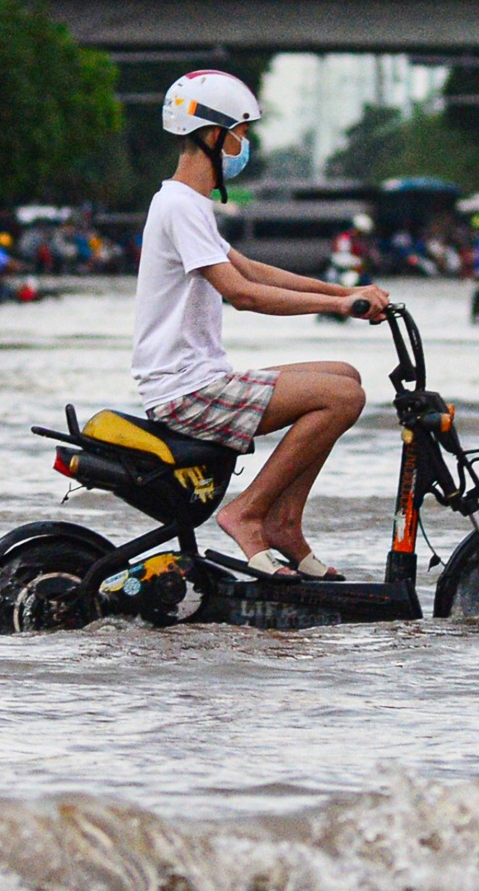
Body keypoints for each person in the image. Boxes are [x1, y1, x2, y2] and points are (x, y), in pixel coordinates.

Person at [134, 71, 389, 581]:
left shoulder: (189, 204)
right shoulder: (179, 205)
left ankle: (285, 524)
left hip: (201, 380)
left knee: (345, 375)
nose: (244, 146)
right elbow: (243, 294)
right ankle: (248, 513)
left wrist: (344, 292)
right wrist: (339, 308)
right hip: (187, 393)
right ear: (214, 136)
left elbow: (252, 270)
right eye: (241, 133)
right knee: (342, 398)